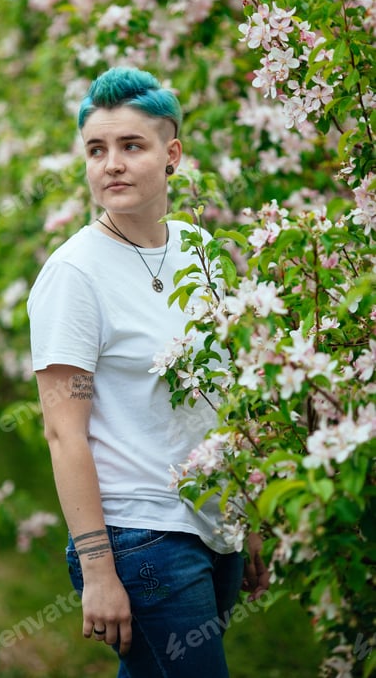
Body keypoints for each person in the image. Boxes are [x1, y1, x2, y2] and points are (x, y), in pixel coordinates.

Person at [27, 67, 269, 677]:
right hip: (140, 539)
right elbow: (64, 433)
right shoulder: (74, 275)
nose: (111, 163)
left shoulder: (201, 251)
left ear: (172, 156)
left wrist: (250, 515)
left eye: (131, 146)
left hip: (216, 522)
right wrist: (99, 570)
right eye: (96, 150)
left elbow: (223, 395)